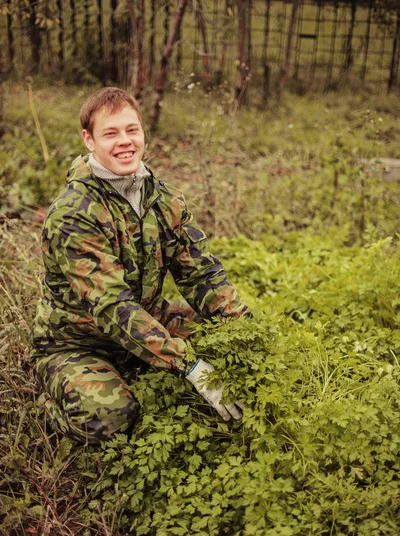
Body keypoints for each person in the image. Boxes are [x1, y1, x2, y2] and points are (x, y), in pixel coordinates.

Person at [31, 87, 249, 444]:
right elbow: (113, 307)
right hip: (79, 341)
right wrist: (190, 366)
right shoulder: (73, 215)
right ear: (89, 140)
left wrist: (245, 334)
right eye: (111, 133)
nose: (125, 142)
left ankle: (138, 363)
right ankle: (52, 403)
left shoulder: (162, 198)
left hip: (146, 316)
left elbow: (201, 274)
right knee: (112, 417)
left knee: (224, 345)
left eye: (132, 130)